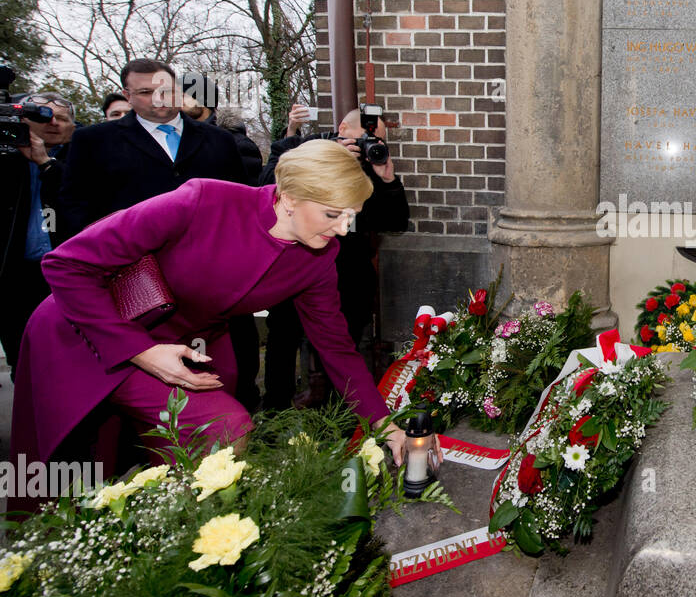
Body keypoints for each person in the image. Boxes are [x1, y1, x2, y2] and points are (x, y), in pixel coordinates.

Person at [9, 140, 423, 481]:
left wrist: (384, 425)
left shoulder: (318, 256)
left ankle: (180, 544)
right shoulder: (202, 199)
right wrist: (140, 350)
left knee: (199, 448)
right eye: (333, 214)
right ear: (291, 197)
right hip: (90, 331)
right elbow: (66, 264)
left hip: (186, 345)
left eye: (351, 216)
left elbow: (335, 347)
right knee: (77, 472)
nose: (341, 229)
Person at [260, 105, 409, 409]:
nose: (371, 143)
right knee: (283, 340)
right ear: (343, 130)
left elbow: (396, 222)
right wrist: (328, 157)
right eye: (366, 135)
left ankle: (335, 414)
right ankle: (275, 413)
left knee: (342, 345)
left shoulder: (370, 165)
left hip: (349, 274)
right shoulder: (304, 149)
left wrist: (387, 179)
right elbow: (265, 185)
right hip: (293, 266)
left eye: (377, 139)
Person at [59, 59, 247, 237]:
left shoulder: (220, 139)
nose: (159, 99)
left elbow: (240, 201)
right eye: (145, 92)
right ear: (127, 96)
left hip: (210, 254)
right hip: (130, 258)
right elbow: (75, 206)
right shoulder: (93, 140)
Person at [0, 94, 71, 377]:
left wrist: (45, 163)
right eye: (43, 116)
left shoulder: (83, 158)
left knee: (69, 357)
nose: (53, 123)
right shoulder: (7, 160)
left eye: (62, 118)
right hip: (14, 273)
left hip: (66, 273)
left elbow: (79, 199)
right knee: (22, 359)